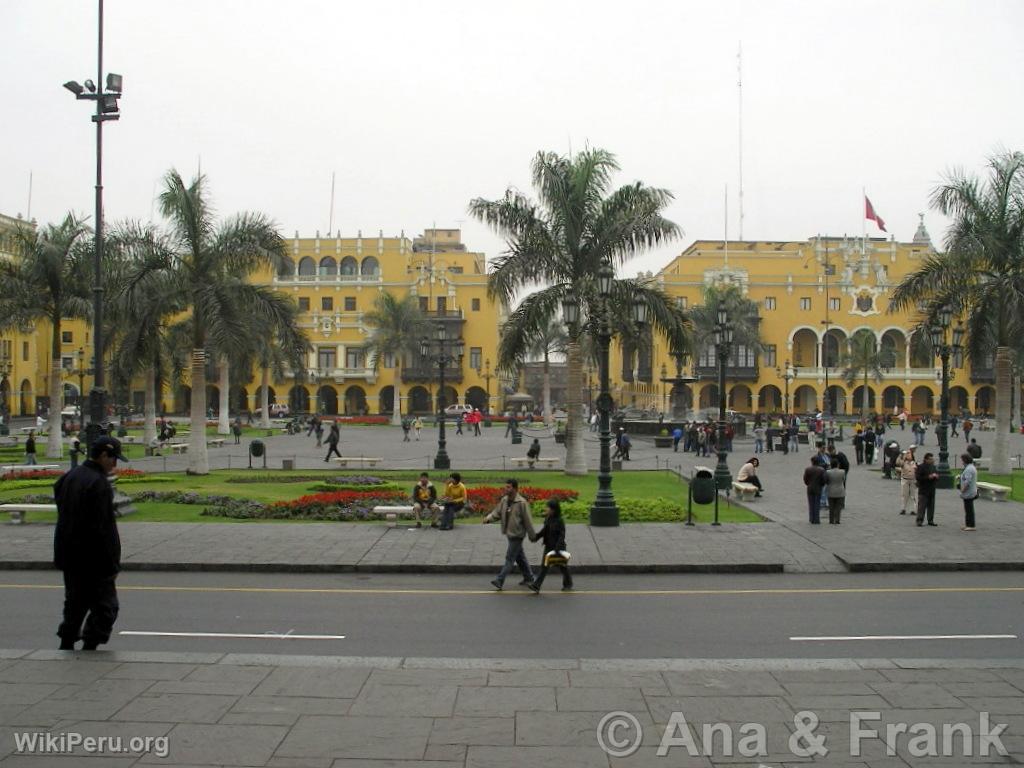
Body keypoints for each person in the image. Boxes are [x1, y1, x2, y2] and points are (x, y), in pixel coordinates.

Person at [54, 436, 128, 650]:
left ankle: (66, 643)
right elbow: (104, 529)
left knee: (75, 604)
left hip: (69, 554)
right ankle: (90, 645)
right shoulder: (98, 484)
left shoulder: (70, 476)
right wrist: (112, 564)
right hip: (93, 559)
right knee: (106, 607)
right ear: (104, 456)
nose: (114, 465)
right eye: (113, 459)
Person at [482, 478, 536, 590]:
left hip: (517, 534)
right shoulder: (504, 500)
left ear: (515, 488)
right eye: (505, 486)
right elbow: (497, 512)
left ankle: (499, 580)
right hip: (509, 533)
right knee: (520, 557)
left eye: (508, 487)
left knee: (510, 558)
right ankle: (529, 577)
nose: (506, 489)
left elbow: (528, 521)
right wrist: (488, 519)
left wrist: (532, 535)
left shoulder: (522, 503)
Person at [528, 499, 573, 593]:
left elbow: (562, 536)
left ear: (553, 509)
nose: (546, 509)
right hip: (548, 546)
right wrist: (536, 537)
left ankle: (568, 584)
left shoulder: (560, 521)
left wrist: (557, 548)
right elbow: (545, 531)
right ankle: (536, 585)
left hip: (558, 548)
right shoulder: (548, 518)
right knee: (544, 566)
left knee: (562, 566)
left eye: (548, 507)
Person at [915, 452, 939, 527]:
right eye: (930, 459)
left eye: (932, 459)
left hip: (932, 489)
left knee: (931, 506)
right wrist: (928, 477)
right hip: (923, 489)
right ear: (926, 459)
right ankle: (919, 520)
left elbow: (937, 475)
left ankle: (930, 520)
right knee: (922, 506)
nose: (932, 460)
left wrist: (936, 477)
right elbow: (918, 477)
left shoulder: (934, 467)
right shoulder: (921, 467)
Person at [803, 456, 826, 524]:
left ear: (812, 462)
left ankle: (811, 518)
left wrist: (808, 484)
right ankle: (816, 519)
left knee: (811, 504)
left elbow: (805, 479)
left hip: (810, 488)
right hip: (818, 488)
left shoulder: (808, 469)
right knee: (817, 504)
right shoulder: (821, 470)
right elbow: (824, 480)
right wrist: (821, 485)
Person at [895, 447, 918, 515]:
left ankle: (913, 510)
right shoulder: (903, 462)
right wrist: (901, 456)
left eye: (909, 454)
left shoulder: (915, 463)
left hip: (913, 480)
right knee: (904, 495)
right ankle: (903, 508)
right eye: (907, 454)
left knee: (913, 495)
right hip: (905, 479)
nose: (908, 455)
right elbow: (897, 463)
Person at [824, 458, 847, 524]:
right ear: (838, 464)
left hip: (831, 491)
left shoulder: (828, 472)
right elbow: (843, 480)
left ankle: (831, 520)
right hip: (840, 491)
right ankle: (837, 520)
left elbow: (826, 481)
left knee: (831, 507)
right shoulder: (842, 472)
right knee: (838, 507)